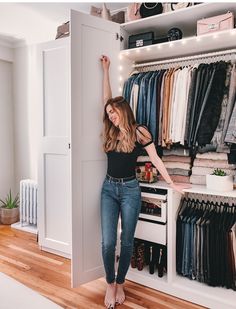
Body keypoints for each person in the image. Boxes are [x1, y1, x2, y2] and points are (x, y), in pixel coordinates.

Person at [100, 55, 190, 309]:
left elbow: (156, 161)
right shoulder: (110, 129)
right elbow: (106, 98)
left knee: (127, 241)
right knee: (108, 242)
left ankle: (120, 282)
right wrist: (105, 71)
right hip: (108, 189)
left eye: (113, 112)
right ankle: (109, 283)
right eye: (108, 113)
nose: (110, 116)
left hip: (130, 190)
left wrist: (172, 183)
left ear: (122, 110)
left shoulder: (140, 131)